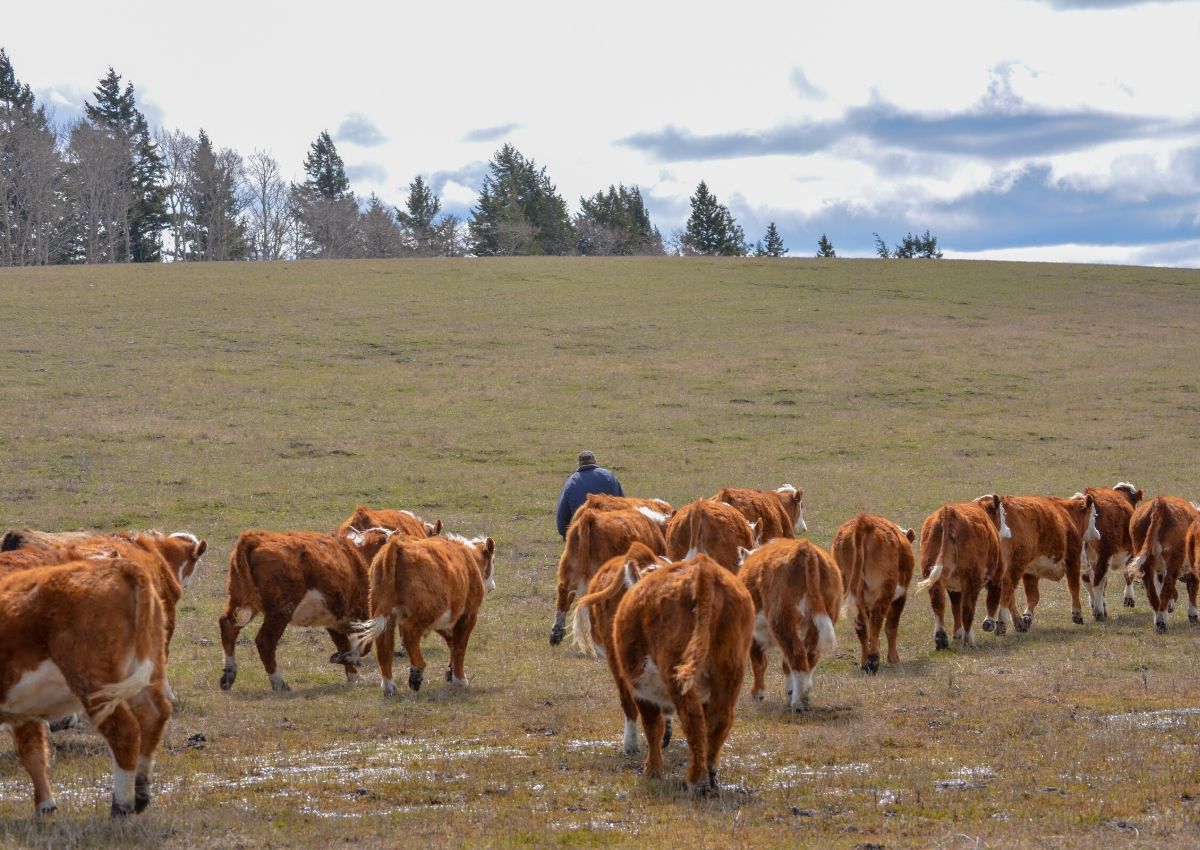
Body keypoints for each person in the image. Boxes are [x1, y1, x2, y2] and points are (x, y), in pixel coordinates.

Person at [555, 450, 624, 538]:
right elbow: (622, 503)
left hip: (583, 533)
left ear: (579, 464)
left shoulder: (571, 481)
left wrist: (567, 534)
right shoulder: (609, 476)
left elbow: (562, 515)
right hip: (610, 530)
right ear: (595, 461)